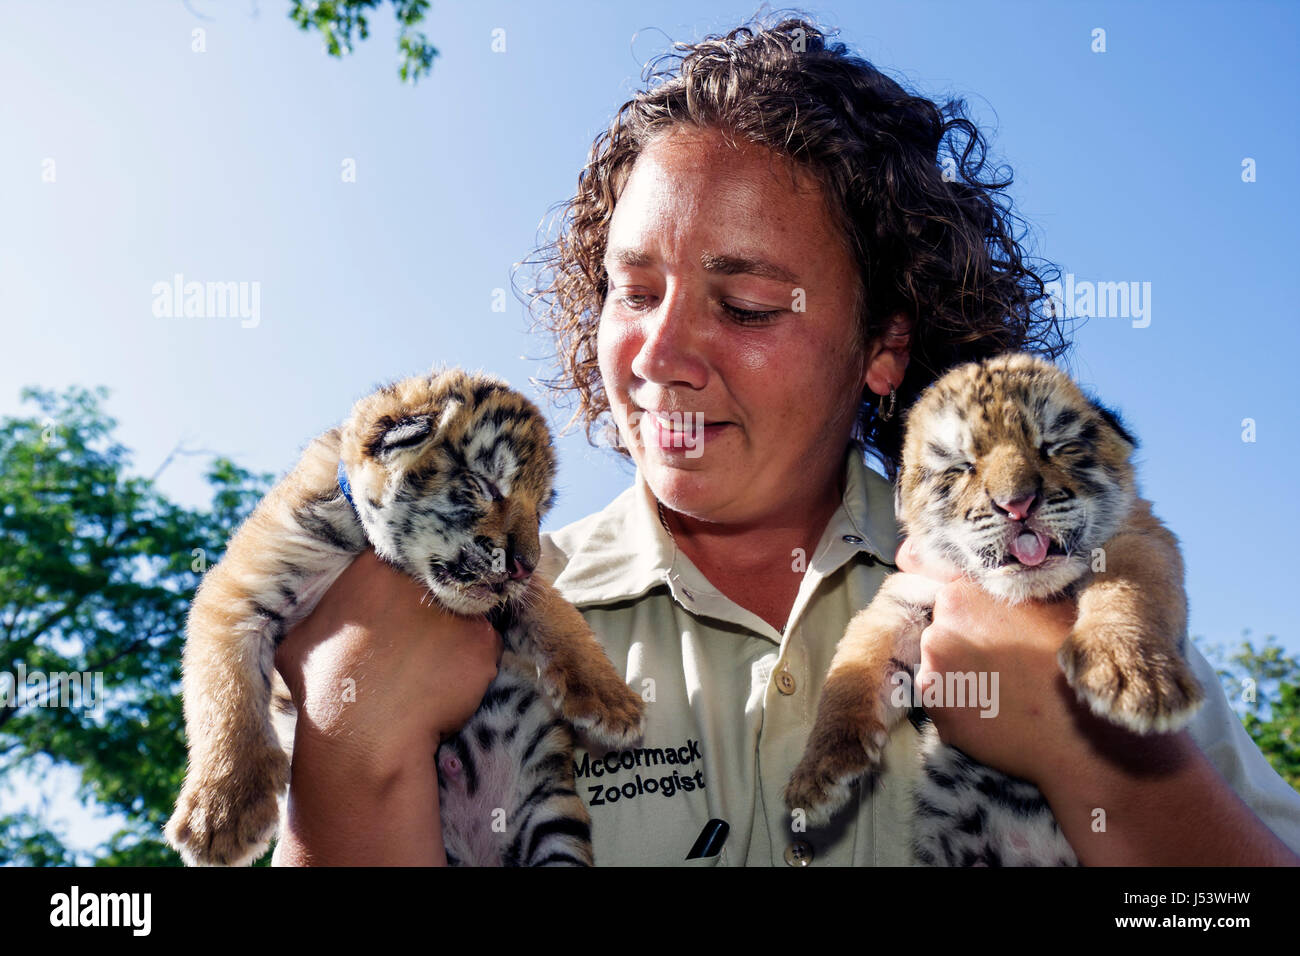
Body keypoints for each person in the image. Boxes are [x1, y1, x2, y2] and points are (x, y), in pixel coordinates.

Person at [271, 15, 1300, 866]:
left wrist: (1103, 758)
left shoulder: (1073, 603)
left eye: (750, 303)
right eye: (632, 292)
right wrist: (346, 758)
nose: (658, 353)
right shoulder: (452, 623)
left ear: (883, 349)